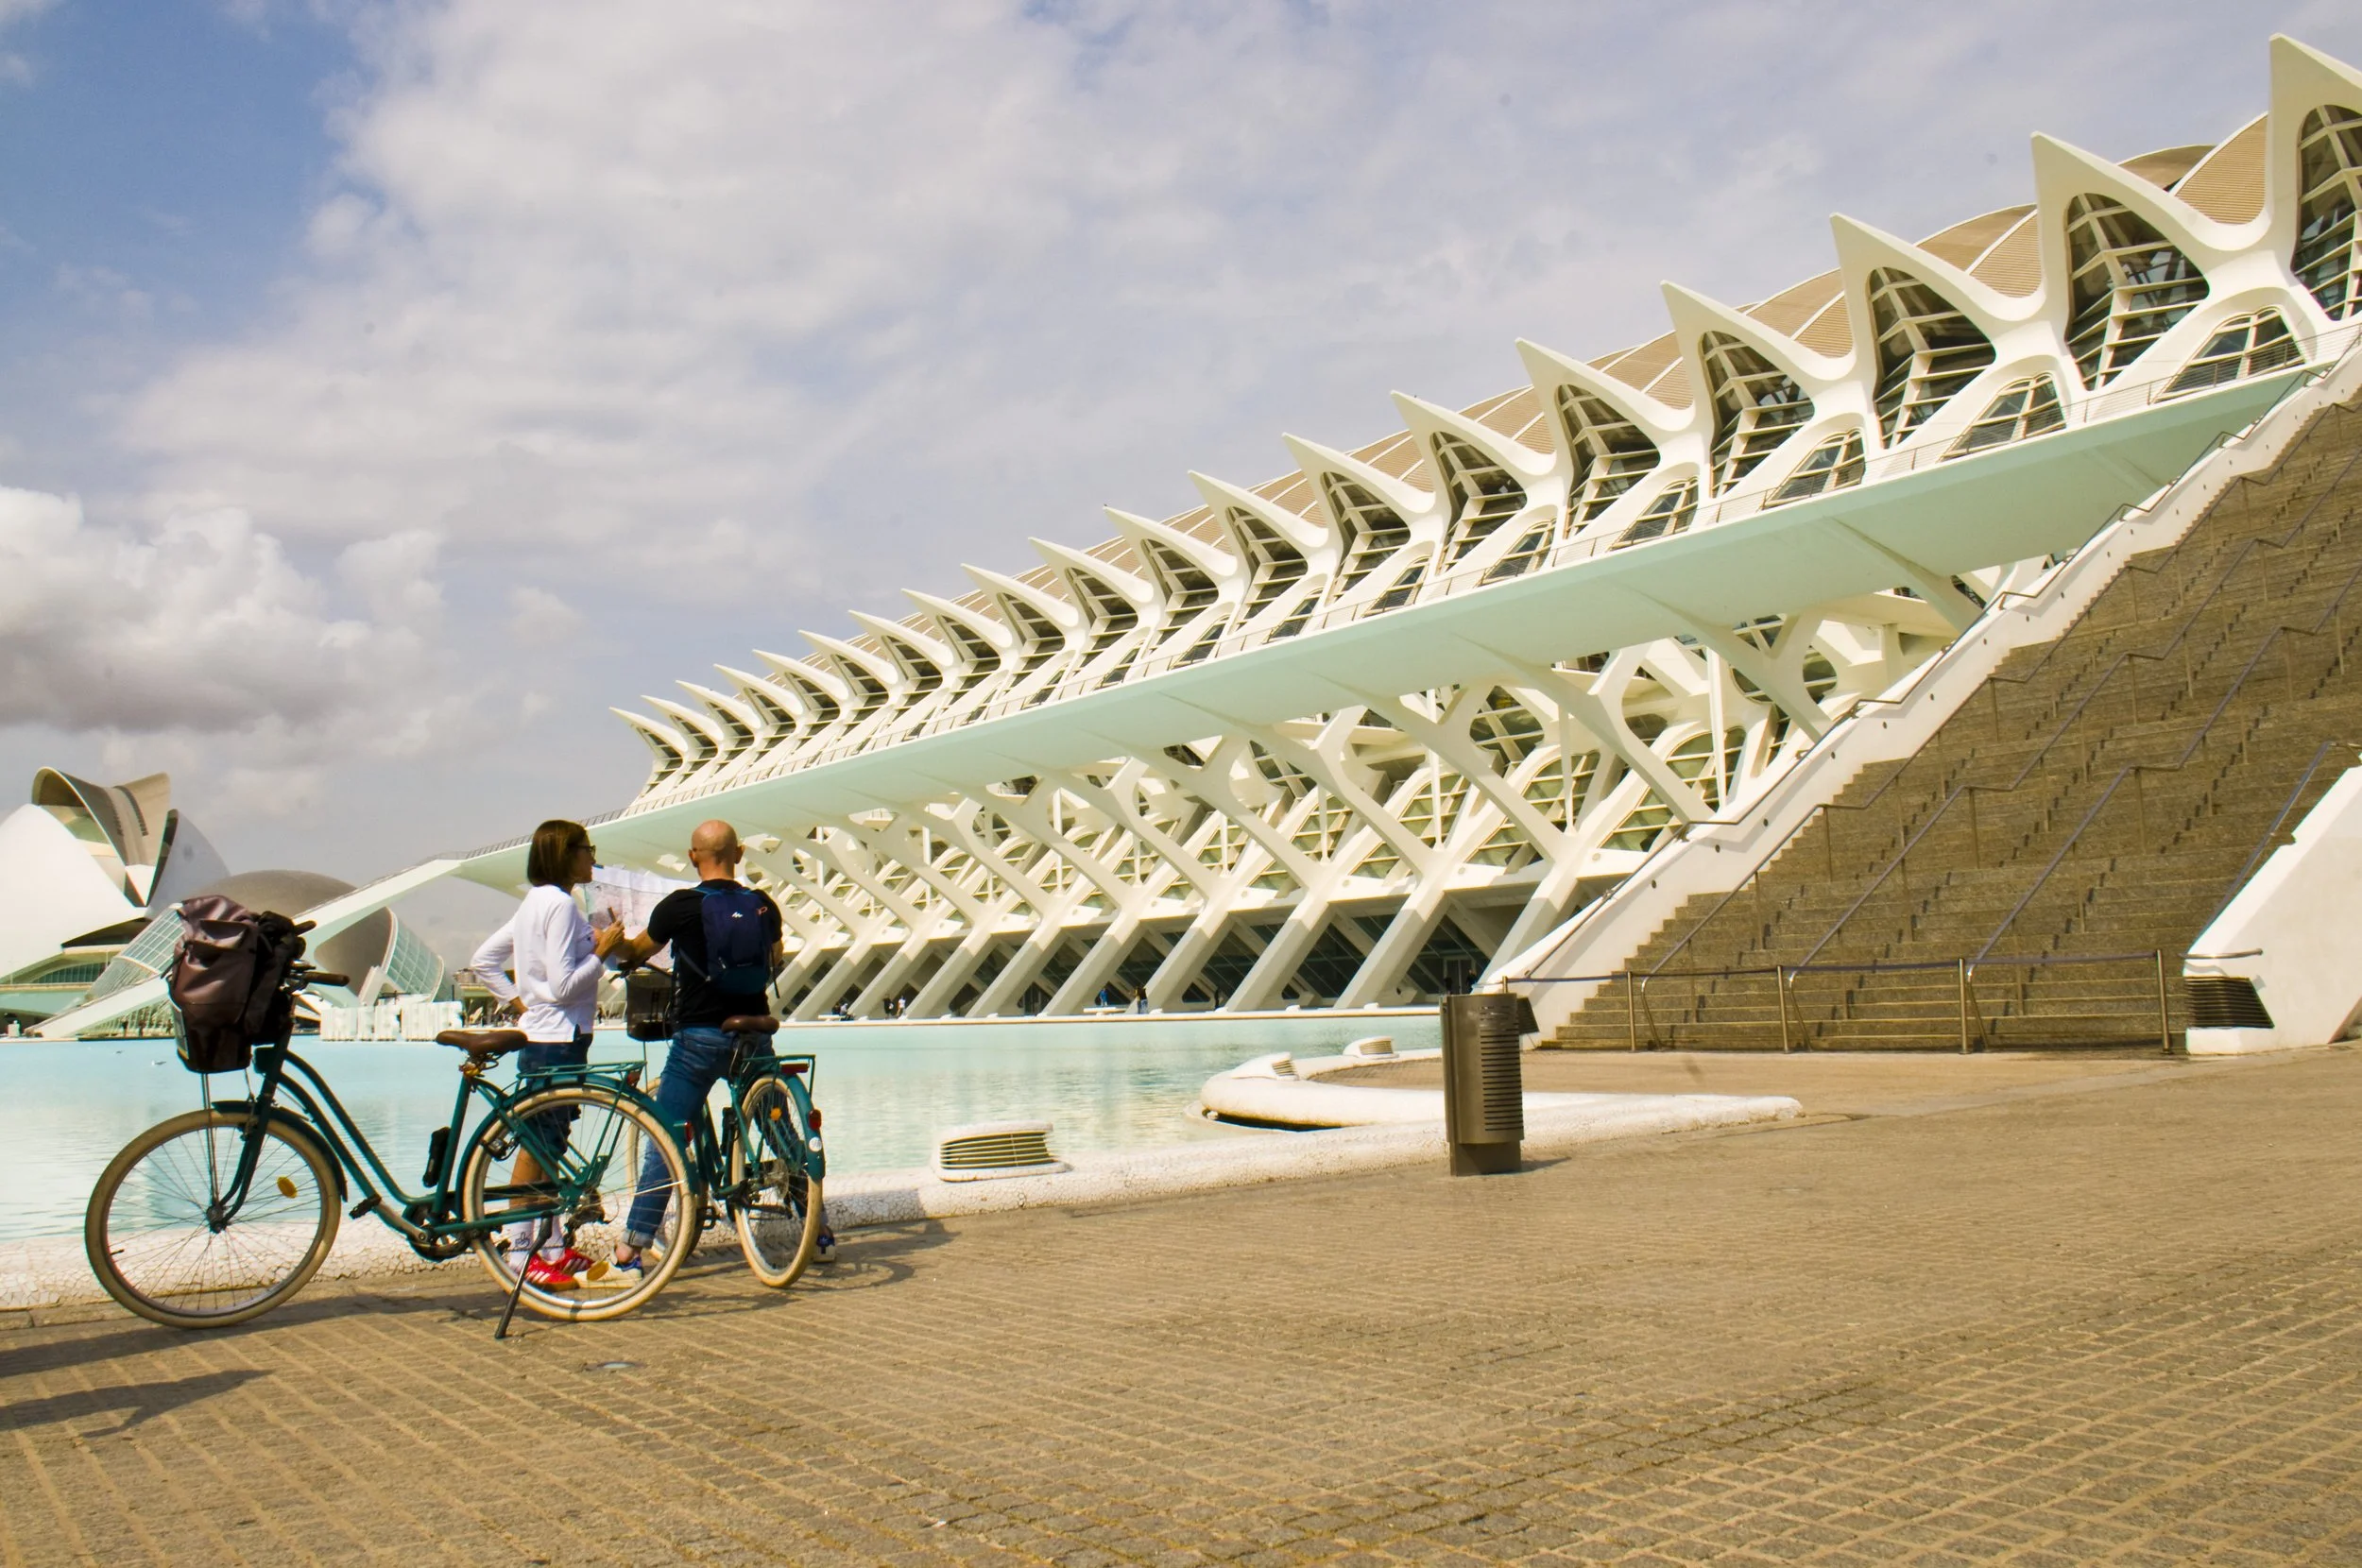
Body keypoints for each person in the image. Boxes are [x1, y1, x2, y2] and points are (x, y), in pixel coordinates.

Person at [608, 819, 830, 1271]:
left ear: (693, 857)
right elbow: (774, 956)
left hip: (701, 1035)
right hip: (755, 1028)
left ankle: (632, 1247)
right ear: (740, 854)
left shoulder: (679, 907)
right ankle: (819, 1229)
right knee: (780, 1130)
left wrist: (615, 945)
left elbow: (637, 951)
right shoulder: (763, 905)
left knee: (665, 1135)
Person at [502, 818, 627, 1289]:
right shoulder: (559, 904)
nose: (592, 858)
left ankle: (550, 1246)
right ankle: (519, 1252)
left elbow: (491, 958)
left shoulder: (535, 902)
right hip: (557, 1038)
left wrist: (521, 1003)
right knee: (537, 1147)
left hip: (547, 1036)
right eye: (586, 850)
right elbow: (562, 986)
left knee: (548, 1144)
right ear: (566, 854)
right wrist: (603, 952)